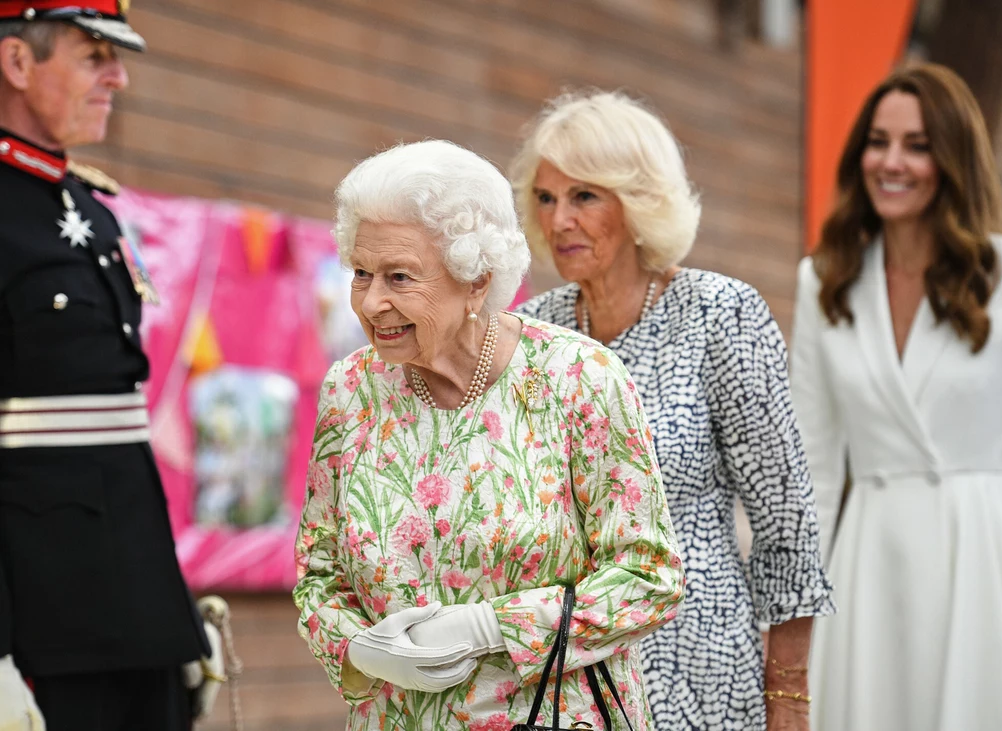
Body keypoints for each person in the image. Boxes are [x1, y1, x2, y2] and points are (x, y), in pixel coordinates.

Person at [293, 139, 685, 730]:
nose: (373, 302)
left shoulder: (577, 378)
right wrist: (358, 651)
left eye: (400, 276)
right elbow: (319, 572)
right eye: (362, 273)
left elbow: (648, 575)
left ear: (476, 280)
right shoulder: (350, 391)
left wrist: (492, 627)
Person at [511, 90, 835, 730]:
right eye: (546, 199)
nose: (559, 220)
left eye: (584, 196)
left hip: (698, 666)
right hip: (560, 674)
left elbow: (786, 523)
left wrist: (790, 697)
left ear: (638, 202)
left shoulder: (721, 314)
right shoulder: (529, 332)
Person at [0, 3, 223, 729]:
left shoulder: (89, 208)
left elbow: (115, 445)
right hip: (42, 625)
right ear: (17, 63)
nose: (118, 77)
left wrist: (173, 613)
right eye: (94, 55)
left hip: (134, 609)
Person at [790, 63, 1002, 731]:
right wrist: (792, 622)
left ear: (953, 158)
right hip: (870, 560)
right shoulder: (824, 281)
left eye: (917, 144)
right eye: (878, 140)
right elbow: (814, 465)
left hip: (985, 554)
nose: (891, 162)